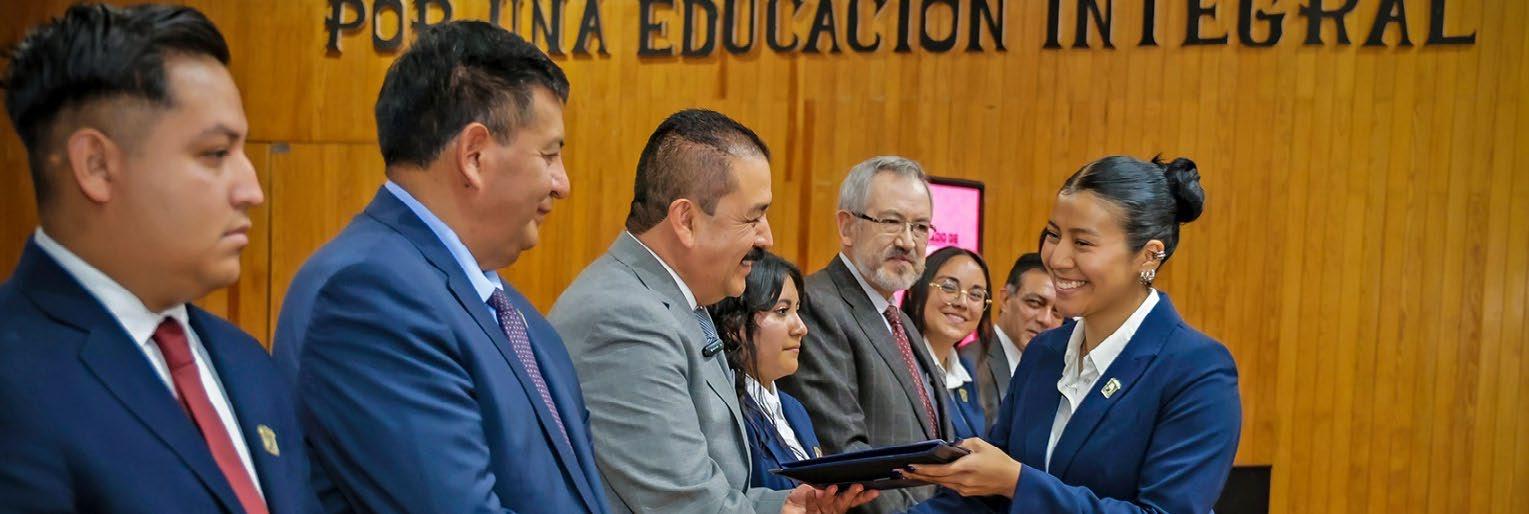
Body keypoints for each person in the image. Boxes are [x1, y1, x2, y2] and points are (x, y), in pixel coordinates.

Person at [272, 21, 609, 513]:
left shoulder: (513, 314)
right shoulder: (369, 299)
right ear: (474, 156)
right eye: (550, 155)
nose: (563, 184)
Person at [0, 4, 319, 512]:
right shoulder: (16, 382)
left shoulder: (248, 364)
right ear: (97, 166)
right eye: (215, 153)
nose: (252, 190)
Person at [549, 109, 875, 514]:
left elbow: (717, 489)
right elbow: (683, 504)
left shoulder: (678, 302)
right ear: (686, 220)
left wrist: (789, 507)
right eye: (753, 217)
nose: (767, 237)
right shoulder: (624, 318)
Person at [901, 155, 1242, 513]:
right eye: (1053, 235)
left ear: (1149, 256)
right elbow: (984, 498)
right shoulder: (1044, 352)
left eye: (1082, 243)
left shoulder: (1197, 371)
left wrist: (1017, 482)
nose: (1057, 258)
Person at [777, 155, 954, 514]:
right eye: (891, 221)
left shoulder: (899, 319)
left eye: (920, 227)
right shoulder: (817, 306)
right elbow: (850, 462)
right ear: (847, 227)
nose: (907, 241)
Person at [708, 251, 822, 490]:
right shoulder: (724, 413)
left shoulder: (795, 409)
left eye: (797, 310)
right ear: (734, 325)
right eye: (782, 311)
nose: (801, 328)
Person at [900, 246, 994, 440]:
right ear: (914, 291)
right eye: (949, 287)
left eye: (976, 295)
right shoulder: (900, 364)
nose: (962, 303)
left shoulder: (966, 371)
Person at [959, 252, 1060, 421]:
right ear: (1005, 299)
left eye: (1057, 312)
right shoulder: (968, 364)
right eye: (1035, 303)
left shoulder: (1057, 372)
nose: (1046, 320)